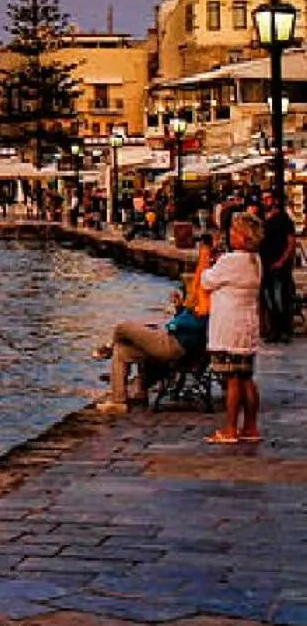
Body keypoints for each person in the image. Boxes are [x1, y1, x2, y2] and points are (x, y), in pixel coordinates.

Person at [97, 250, 209, 410]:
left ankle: (107, 348)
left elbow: (190, 325)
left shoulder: (205, 306)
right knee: (122, 351)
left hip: (173, 345)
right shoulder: (197, 306)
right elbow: (188, 322)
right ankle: (119, 401)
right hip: (174, 343)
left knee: (122, 327)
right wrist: (180, 309)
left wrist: (172, 325)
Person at [202, 210, 265, 444]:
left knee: (232, 380)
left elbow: (206, 280)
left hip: (229, 326)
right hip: (247, 325)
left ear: (242, 236)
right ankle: (250, 427)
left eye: (234, 231)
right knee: (246, 378)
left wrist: (210, 259)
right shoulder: (255, 261)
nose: (230, 234)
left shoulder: (231, 261)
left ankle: (230, 429)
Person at [258, 189, 296, 343]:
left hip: (280, 266)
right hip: (266, 265)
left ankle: (284, 330)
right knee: (270, 299)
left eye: (268, 198)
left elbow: (291, 242)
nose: (265, 201)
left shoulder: (284, 219)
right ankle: (274, 330)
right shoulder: (263, 219)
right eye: (264, 199)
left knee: (281, 298)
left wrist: (282, 260)